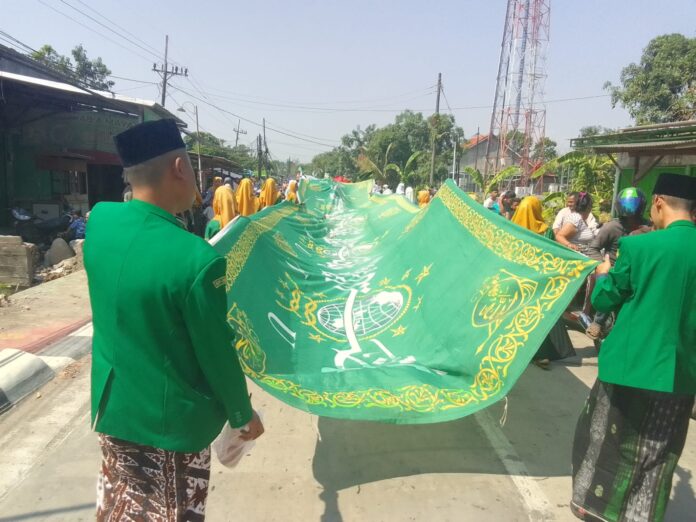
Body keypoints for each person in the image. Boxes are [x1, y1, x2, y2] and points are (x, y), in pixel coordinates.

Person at [84, 119, 263, 521]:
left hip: (113, 411)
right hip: (170, 427)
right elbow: (216, 351)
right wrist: (241, 414)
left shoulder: (100, 223)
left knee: (121, 507)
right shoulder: (196, 260)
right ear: (179, 169)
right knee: (171, 511)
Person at [570, 172, 696, 522]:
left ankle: (598, 510)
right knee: (659, 454)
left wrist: (606, 273)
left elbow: (604, 298)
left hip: (629, 366)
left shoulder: (639, 247)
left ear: (657, 202)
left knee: (608, 443)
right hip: (680, 375)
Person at [511, 196, 575, 367]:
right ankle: (540, 354)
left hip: (515, 280)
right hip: (539, 281)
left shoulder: (510, 229)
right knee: (538, 316)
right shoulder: (545, 230)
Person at [584, 187, 648, 339]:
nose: (629, 210)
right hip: (615, 270)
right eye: (626, 205)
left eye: (633, 205)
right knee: (610, 294)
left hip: (639, 270)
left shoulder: (648, 227)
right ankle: (598, 322)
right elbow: (593, 248)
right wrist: (602, 266)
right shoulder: (612, 226)